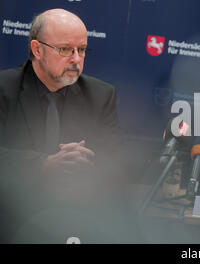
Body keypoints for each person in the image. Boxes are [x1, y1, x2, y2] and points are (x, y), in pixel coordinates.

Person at [0, 9, 128, 243]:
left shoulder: (100, 95)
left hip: (73, 220)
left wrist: (86, 160)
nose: (76, 59)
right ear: (37, 50)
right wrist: (43, 164)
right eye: (65, 49)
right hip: (9, 216)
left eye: (81, 50)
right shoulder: (4, 89)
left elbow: (117, 162)